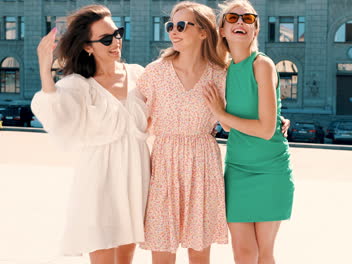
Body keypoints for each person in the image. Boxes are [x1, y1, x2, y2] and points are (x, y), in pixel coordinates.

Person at [31, 5, 150, 264]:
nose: (116, 42)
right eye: (106, 39)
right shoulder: (78, 85)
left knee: (126, 257)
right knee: (103, 252)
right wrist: (44, 68)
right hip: (99, 178)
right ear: (87, 46)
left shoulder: (139, 75)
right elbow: (54, 112)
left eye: (117, 33)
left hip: (136, 173)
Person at [136, 2, 229, 264]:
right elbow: (134, 120)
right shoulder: (154, 72)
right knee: (162, 250)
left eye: (180, 25)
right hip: (164, 164)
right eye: (170, 26)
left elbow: (232, 124)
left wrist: (221, 111)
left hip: (203, 163)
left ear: (203, 32)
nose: (173, 32)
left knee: (200, 253)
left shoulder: (220, 74)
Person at [204, 0, 295, 263]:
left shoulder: (262, 64)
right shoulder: (224, 71)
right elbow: (231, 126)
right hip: (238, 169)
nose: (241, 22)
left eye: (248, 19)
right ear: (221, 30)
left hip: (270, 169)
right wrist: (222, 116)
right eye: (232, 18)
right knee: (243, 254)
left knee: (264, 254)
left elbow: (267, 129)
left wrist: (221, 114)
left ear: (255, 30)